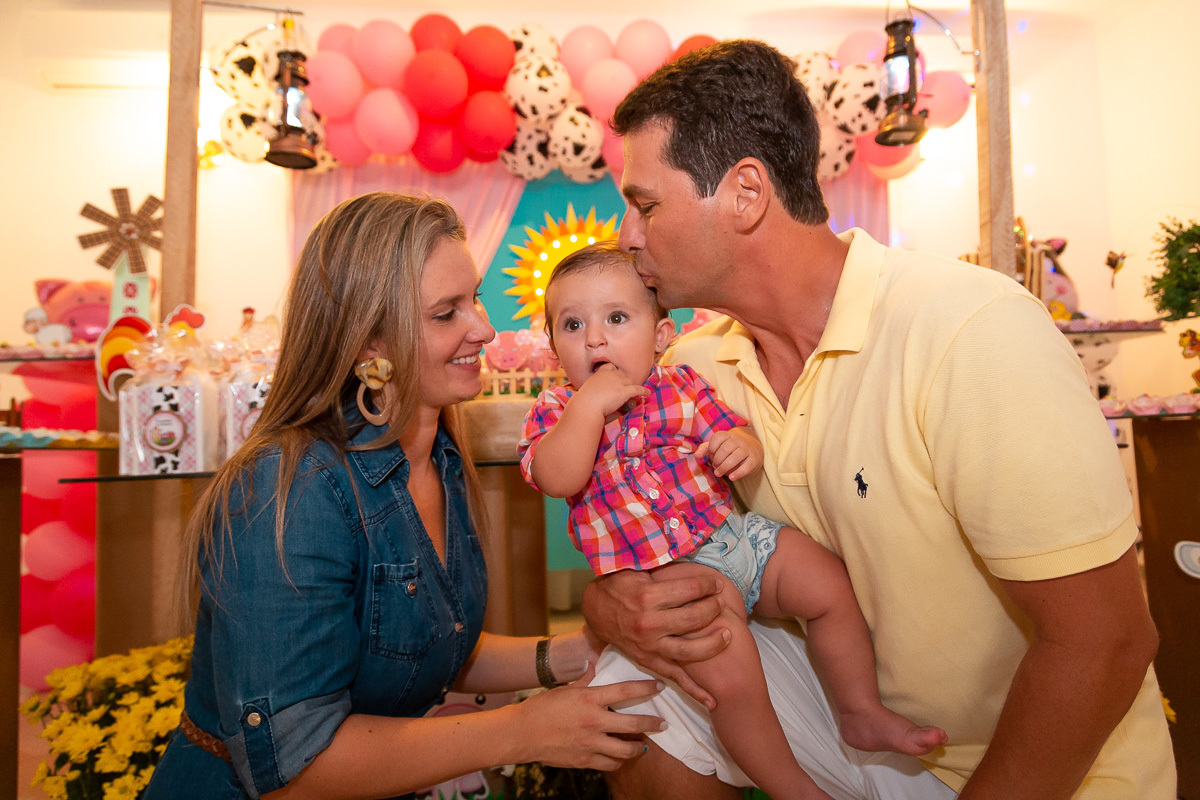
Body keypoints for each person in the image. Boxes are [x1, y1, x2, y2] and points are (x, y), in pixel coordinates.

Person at [583, 40, 1177, 800]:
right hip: (865, 737)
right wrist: (611, 605)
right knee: (636, 686)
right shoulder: (693, 372)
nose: (627, 237)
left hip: (1044, 770)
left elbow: (1106, 642)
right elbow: (658, 547)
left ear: (745, 192)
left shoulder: (969, 330)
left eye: (644, 204)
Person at [144, 193, 667, 800]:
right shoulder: (287, 492)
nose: (485, 328)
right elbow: (295, 767)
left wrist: (580, 652)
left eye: (473, 300)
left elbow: (426, 644)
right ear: (371, 343)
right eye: (448, 313)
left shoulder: (440, 456)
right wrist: (521, 731)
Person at [517, 241, 946, 800]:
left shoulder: (681, 387)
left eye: (617, 319)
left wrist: (742, 445)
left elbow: (734, 429)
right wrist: (586, 410)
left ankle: (860, 710)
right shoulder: (555, 411)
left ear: (661, 337)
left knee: (824, 582)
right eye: (573, 325)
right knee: (729, 666)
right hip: (665, 578)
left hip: (734, 541)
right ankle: (790, 785)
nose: (595, 338)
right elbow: (558, 477)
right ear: (554, 348)